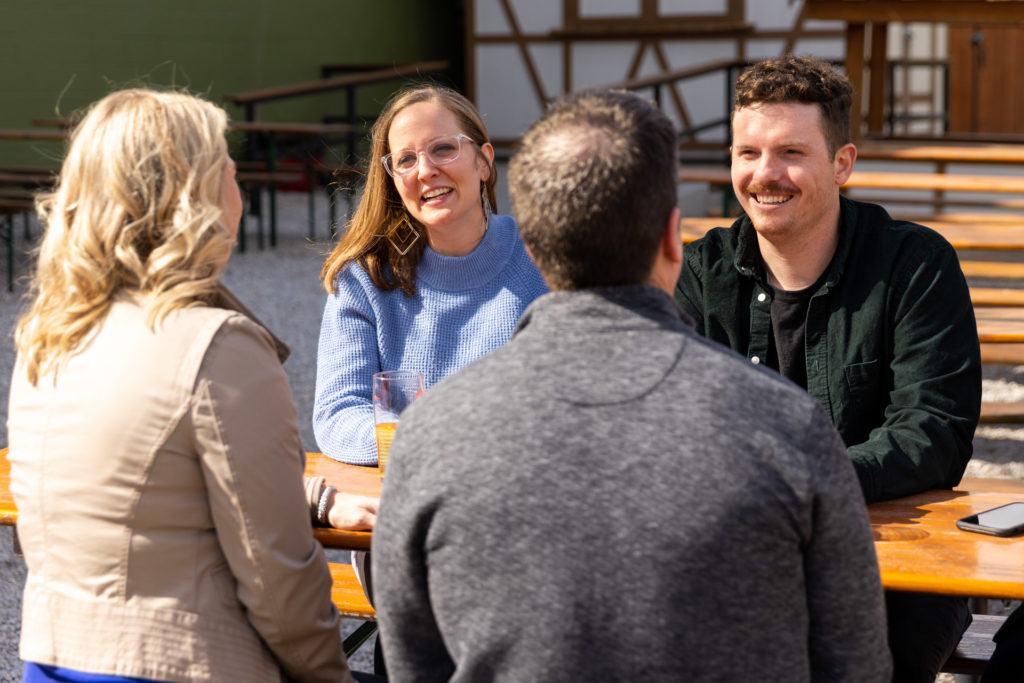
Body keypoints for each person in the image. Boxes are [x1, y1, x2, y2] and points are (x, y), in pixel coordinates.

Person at [371, 88, 891, 682]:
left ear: (535, 253)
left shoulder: (429, 434)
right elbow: (855, 664)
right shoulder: (789, 427)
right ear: (673, 239)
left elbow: (411, 662)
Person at [7, 88, 377, 682]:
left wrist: (308, 496)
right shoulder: (218, 347)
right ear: (195, 198)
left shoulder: (49, 337)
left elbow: (138, 478)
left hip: (55, 660)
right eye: (230, 172)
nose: (241, 189)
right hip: (182, 664)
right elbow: (280, 582)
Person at [673, 56, 982, 683]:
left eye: (790, 152)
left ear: (842, 164)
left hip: (893, 564)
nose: (764, 175)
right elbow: (671, 422)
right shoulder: (700, 271)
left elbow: (933, 433)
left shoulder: (914, 264)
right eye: (747, 153)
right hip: (745, 549)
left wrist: (800, 478)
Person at [314, 84, 547, 466]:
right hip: (414, 497)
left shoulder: (547, 258)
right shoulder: (363, 279)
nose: (425, 171)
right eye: (405, 160)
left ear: (484, 162)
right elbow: (338, 414)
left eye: (443, 149)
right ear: (392, 179)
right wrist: (441, 444)